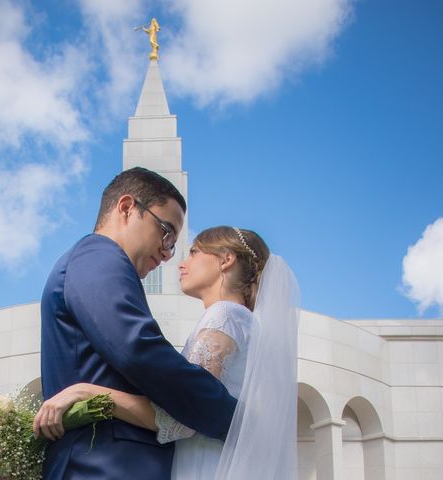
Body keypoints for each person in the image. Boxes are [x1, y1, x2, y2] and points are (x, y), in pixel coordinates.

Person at [36, 225, 300, 479]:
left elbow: (182, 419)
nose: (182, 263)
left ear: (226, 260)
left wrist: (88, 391)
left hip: (204, 466)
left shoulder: (224, 315)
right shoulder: (244, 322)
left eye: (195, 252)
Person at [37, 167, 238, 479]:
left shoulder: (100, 262)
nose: (168, 253)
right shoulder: (98, 256)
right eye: (166, 232)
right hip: (103, 465)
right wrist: (231, 416)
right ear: (127, 208)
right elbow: (138, 349)